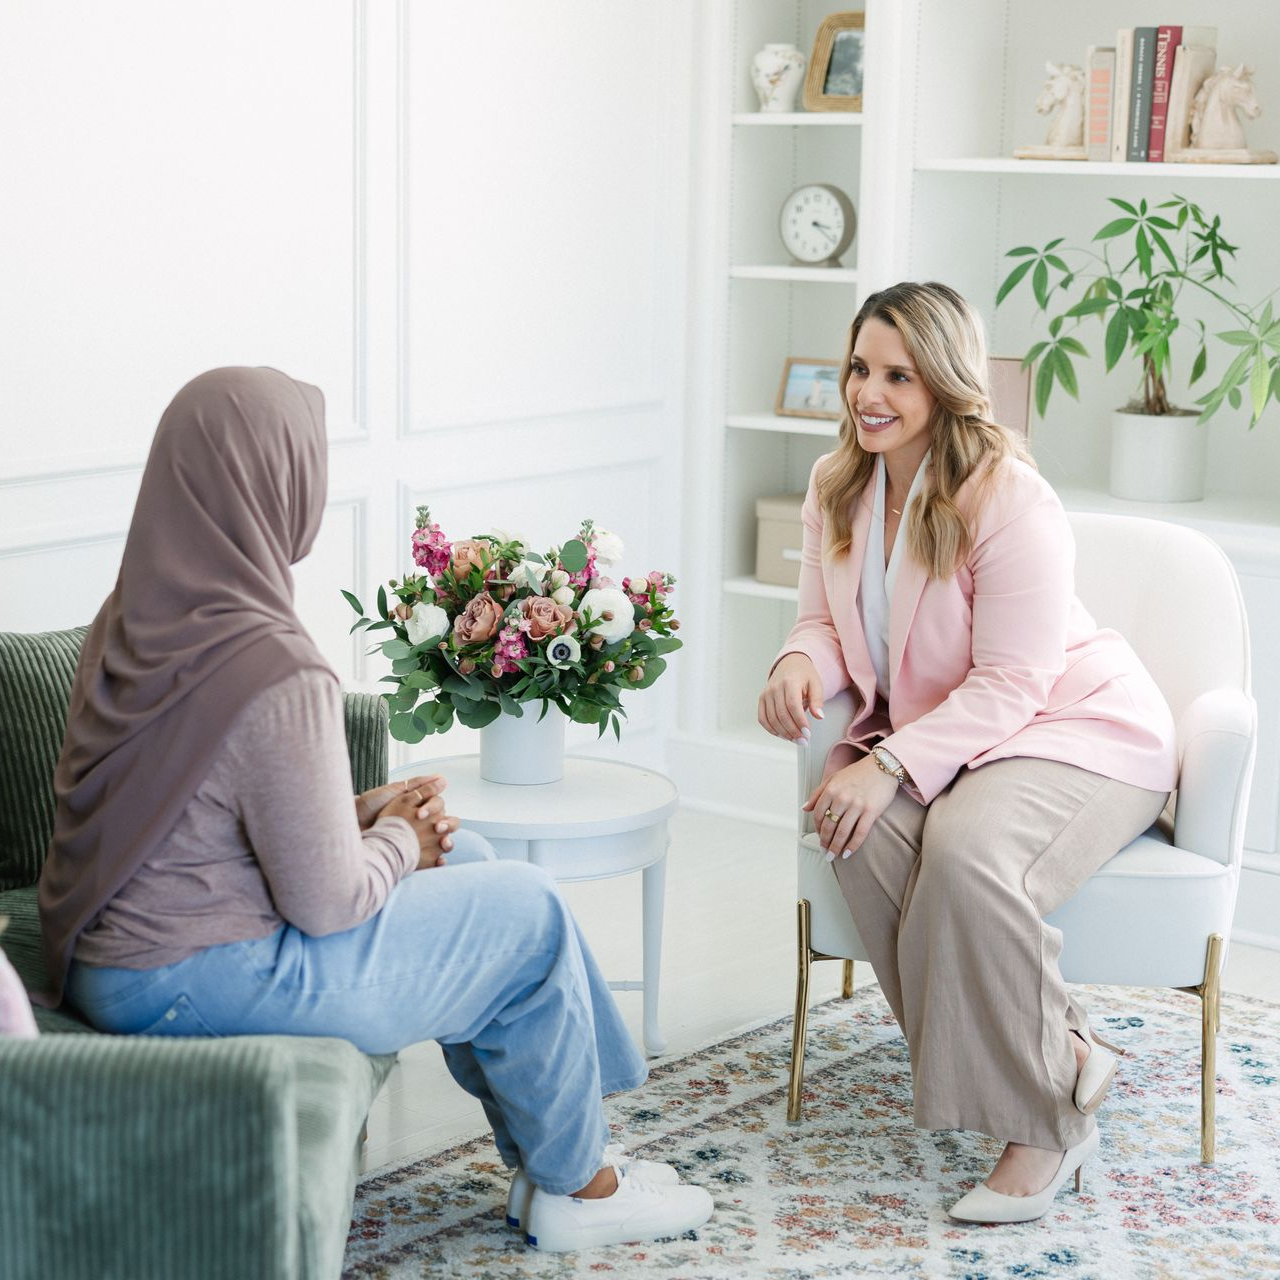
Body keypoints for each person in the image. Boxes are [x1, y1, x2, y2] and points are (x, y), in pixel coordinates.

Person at [36, 366, 713, 1253]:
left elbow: (195, 810)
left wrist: (363, 811)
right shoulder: (270, 666)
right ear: (277, 483)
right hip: (192, 978)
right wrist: (401, 835)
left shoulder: (135, 614)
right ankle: (581, 1191)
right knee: (529, 912)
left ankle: (549, 1160)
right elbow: (327, 904)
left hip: (113, 958)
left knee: (473, 869)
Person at [757, 282, 1177, 1224]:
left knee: (970, 852)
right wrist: (796, 660)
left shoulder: (1006, 494)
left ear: (945, 385)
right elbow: (825, 621)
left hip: (1077, 730)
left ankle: (1046, 1130)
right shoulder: (839, 489)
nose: (870, 391)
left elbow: (1016, 680)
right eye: (861, 367)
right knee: (850, 830)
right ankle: (1063, 1053)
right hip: (962, 737)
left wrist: (891, 765)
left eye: (899, 375)